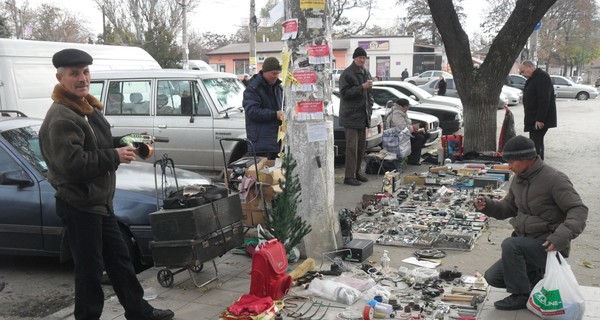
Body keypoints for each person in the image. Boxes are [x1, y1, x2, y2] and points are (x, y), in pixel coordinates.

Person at [38, 49, 174, 320]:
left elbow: (100, 143)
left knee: (120, 262)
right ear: (60, 77)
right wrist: (114, 156)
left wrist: (129, 140)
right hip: (80, 204)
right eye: (74, 73)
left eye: (85, 72)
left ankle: (138, 311)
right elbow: (73, 165)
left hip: (99, 202)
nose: (82, 78)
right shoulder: (62, 118)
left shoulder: (87, 108)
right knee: (89, 270)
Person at [474, 135, 587, 311]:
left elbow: (578, 210)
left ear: (527, 159)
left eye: (512, 162)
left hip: (549, 245)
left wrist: (560, 237)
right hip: (524, 243)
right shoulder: (518, 179)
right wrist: (487, 206)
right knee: (493, 277)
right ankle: (536, 280)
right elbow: (508, 208)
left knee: (511, 244)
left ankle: (521, 295)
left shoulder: (554, 179)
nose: (509, 167)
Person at [339, 47, 374, 186]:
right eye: (360, 57)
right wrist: (361, 87)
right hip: (351, 117)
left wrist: (370, 104)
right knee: (352, 148)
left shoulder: (366, 72)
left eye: (364, 58)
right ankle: (349, 176)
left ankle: (357, 173)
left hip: (363, 116)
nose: (362, 60)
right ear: (354, 58)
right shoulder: (347, 73)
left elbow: (370, 92)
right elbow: (344, 93)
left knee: (361, 147)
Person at [243, 57, 283, 160]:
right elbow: (252, 112)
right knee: (260, 174)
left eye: (278, 73)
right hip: (260, 144)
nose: (276, 76)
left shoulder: (278, 87)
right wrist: (275, 114)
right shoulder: (253, 88)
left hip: (276, 142)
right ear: (265, 72)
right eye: (273, 73)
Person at [518, 60, 557, 160]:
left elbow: (544, 99)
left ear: (529, 67)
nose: (522, 74)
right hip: (533, 116)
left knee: (536, 143)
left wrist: (540, 119)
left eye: (522, 71)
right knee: (535, 143)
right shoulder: (533, 78)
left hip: (539, 118)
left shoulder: (542, 76)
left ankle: (538, 166)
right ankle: (537, 164)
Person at [384, 98, 427, 166]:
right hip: (395, 136)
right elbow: (402, 127)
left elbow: (405, 125)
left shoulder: (400, 111)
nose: (408, 108)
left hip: (400, 134)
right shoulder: (396, 113)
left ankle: (414, 157)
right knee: (419, 138)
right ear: (404, 106)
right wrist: (413, 128)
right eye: (408, 106)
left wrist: (413, 128)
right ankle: (413, 159)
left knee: (422, 135)